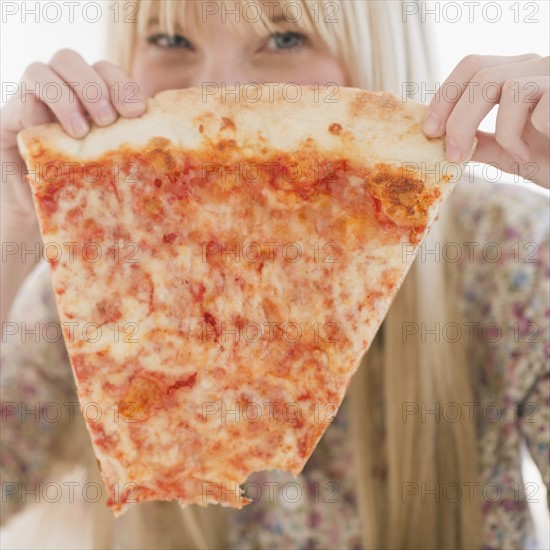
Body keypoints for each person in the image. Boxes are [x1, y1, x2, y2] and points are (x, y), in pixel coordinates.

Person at [1, 1, 548, 548]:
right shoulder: (99, 279)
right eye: (170, 40)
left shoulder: (512, 256)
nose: (220, 91)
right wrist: (8, 235)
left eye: (284, 38)